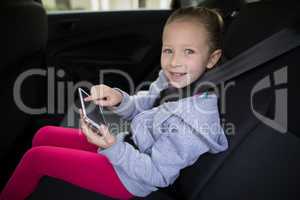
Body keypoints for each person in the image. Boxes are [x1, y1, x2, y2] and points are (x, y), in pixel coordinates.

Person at [0, 7, 228, 200]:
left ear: (212, 58)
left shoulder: (194, 120)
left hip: (131, 179)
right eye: (168, 50)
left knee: (36, 159)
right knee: (44, 134)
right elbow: (146, 103)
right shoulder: (172, 79)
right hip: (125, 147)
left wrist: (112, 148)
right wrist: (119, 99)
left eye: (188, 51)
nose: (174, 61)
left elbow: (158, 175)